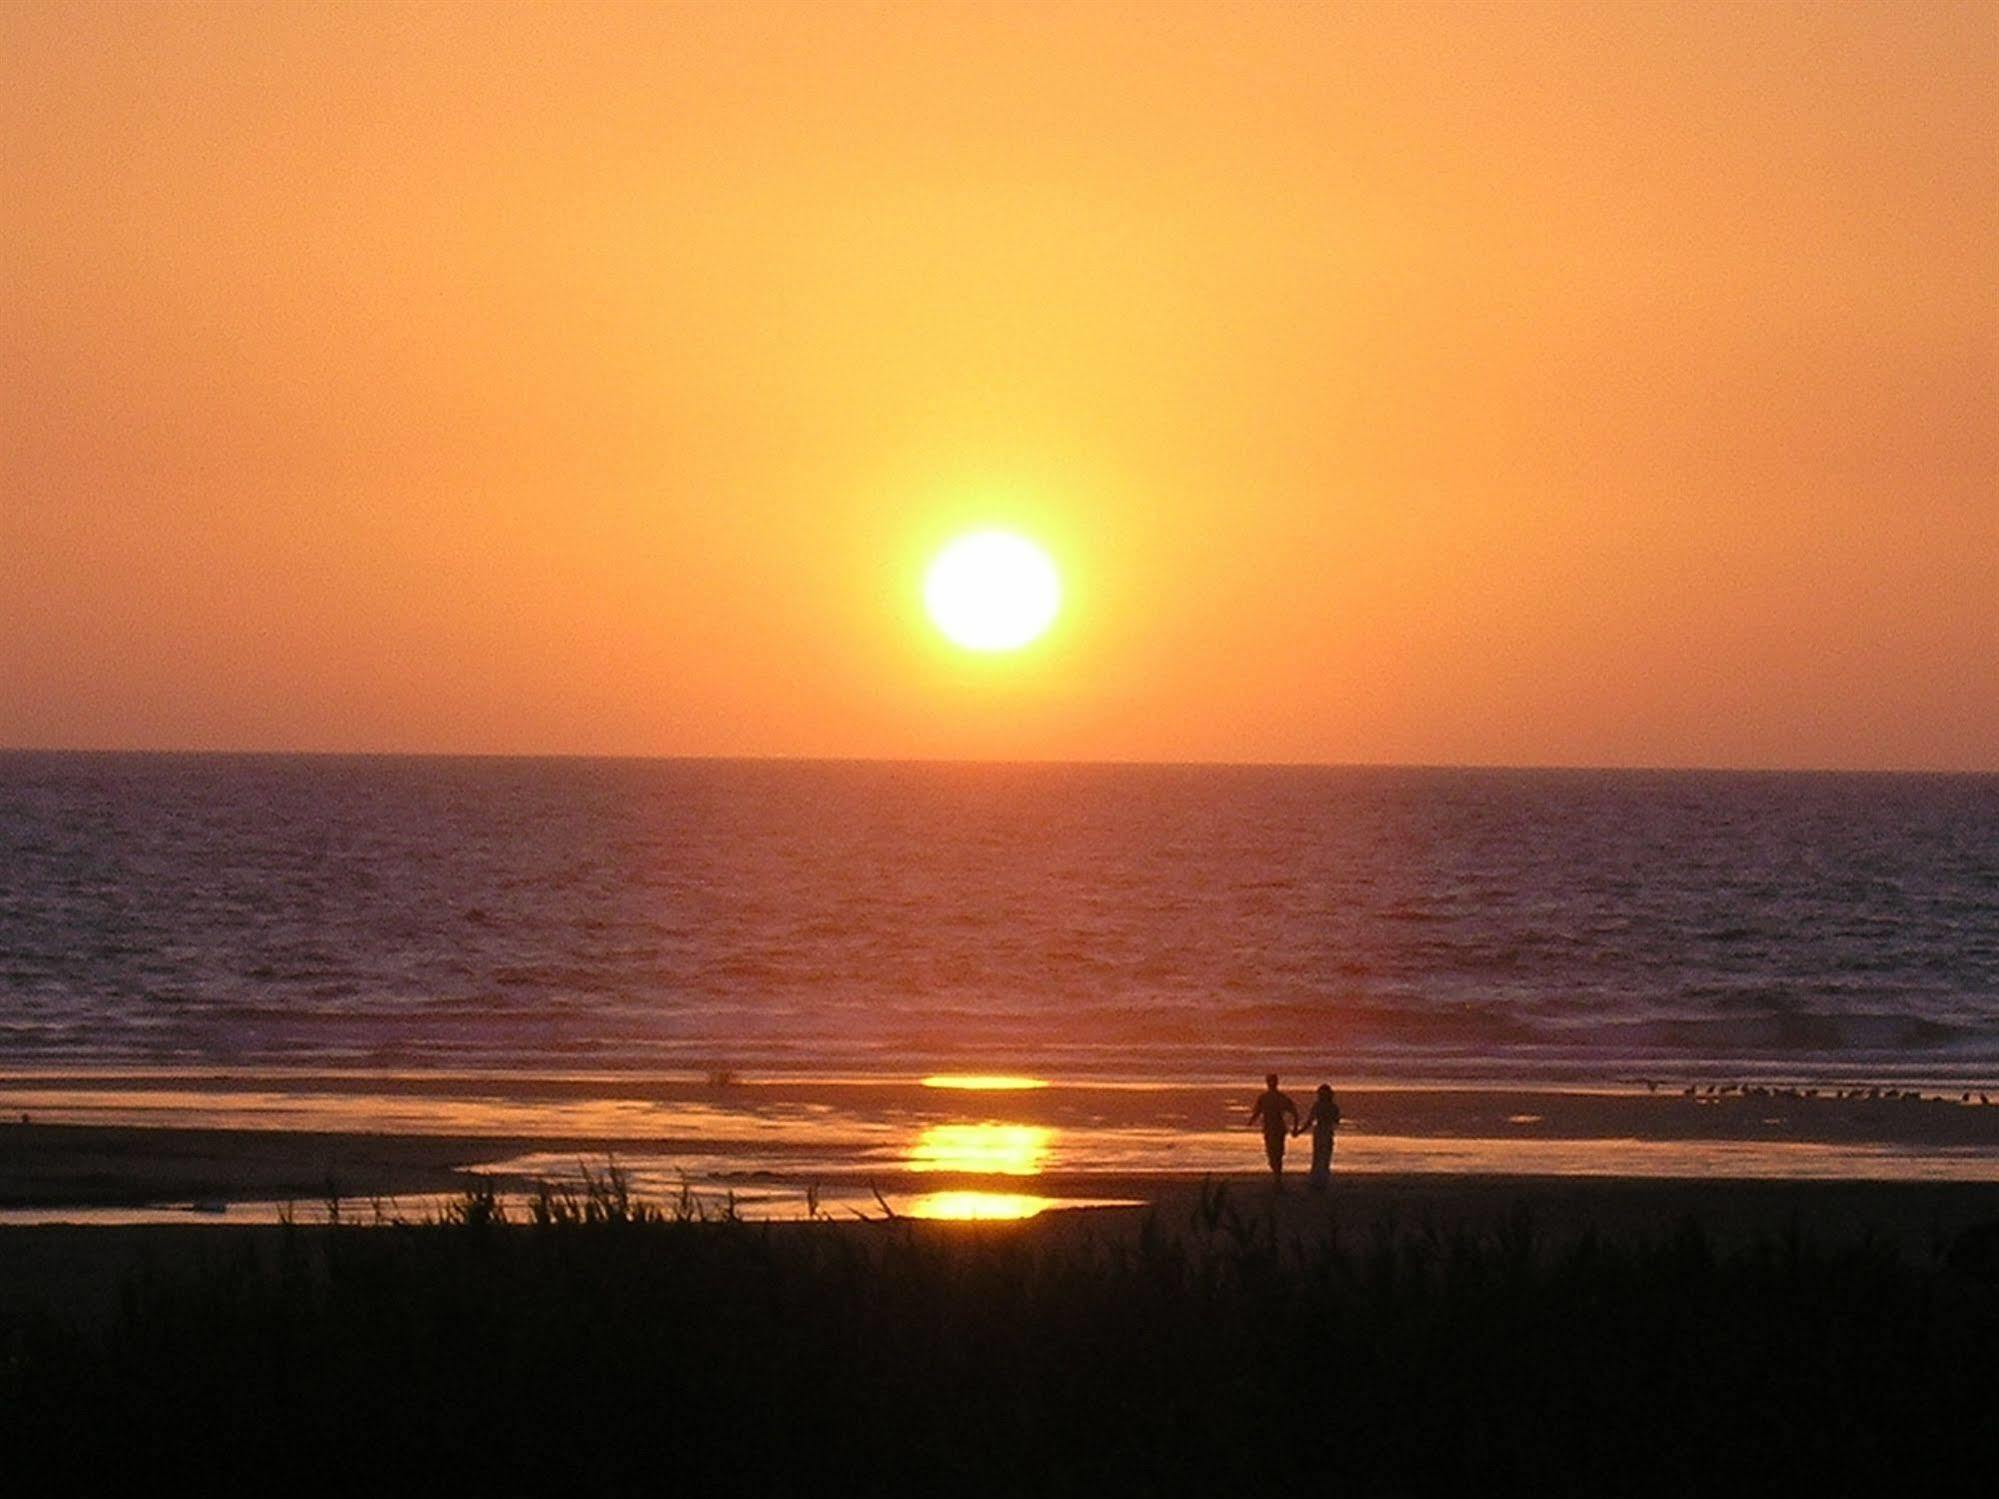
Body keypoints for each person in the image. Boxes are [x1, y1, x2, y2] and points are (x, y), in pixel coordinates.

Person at [1248, 1074, 1299, 1188]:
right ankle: (1277, 1175)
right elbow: (1258, 1111)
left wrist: (1295, 1128)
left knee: (1278, 1153)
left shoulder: (1280, 1097)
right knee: (1272, 1153)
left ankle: (1278, 1177)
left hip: (1277, 1128)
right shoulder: (1264, 1097)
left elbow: (1294, 1112)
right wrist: (1251, 1121)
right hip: (1269, 1128)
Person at [1298, 1083, 1341, 1190]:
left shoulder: (1317, 1105)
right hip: (1327, 1131)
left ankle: (1315, 1180)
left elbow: (1310, 1121)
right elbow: (1336, 1120)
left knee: (1317, 1157)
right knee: (1325, 1157)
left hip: (1319, 1131)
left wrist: (1300, 1131)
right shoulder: (1333, 1106)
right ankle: (1323, 1181)